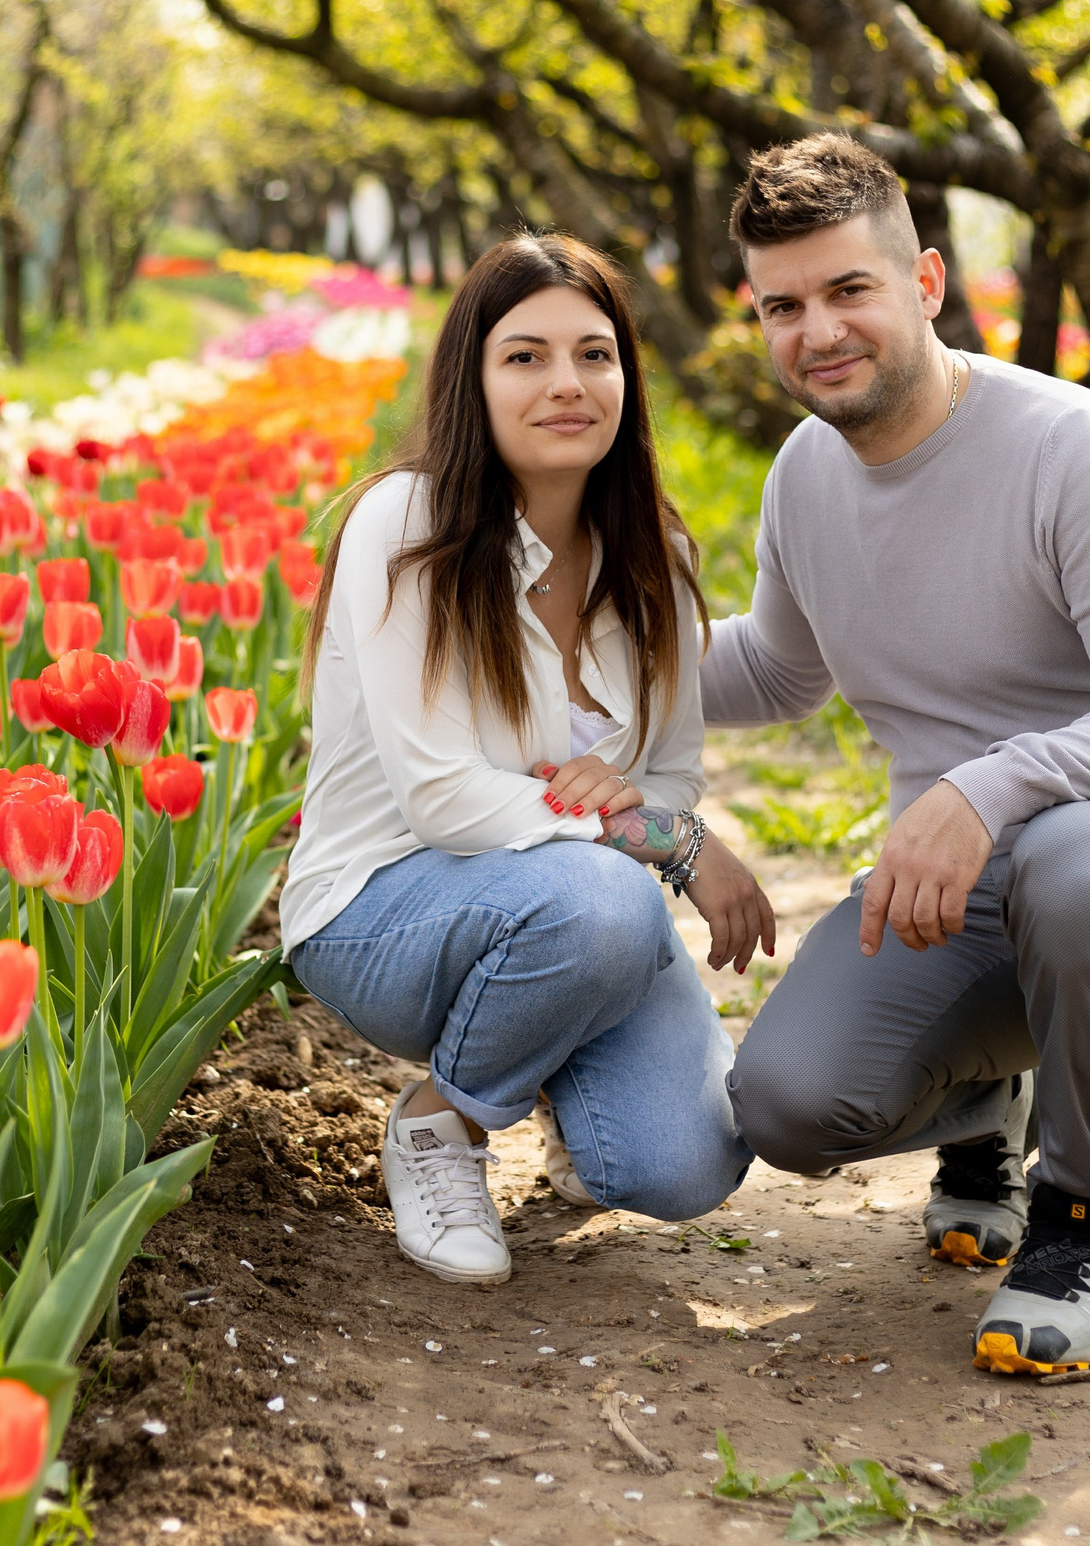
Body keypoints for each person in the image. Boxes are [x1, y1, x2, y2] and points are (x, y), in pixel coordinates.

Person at [705, 135, 1090, 1374]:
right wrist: (579, 663)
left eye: (848, 290)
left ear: (923, 282)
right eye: (782, 306)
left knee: (1074, 859)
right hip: (959, 903)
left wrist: (986, 783)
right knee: (787, 1106)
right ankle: (991, 1103)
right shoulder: (806, 474)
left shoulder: (1074, 452)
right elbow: (776, 669)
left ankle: (1082, 1217)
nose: (817, 332)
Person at [282, 233, 774, 1286]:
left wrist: (644, 808)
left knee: (684, 1165)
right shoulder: (405, 527)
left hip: (562, 907)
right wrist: (655, 835)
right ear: (473, 376)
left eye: (595, 356)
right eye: (526, 356)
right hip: (379, 912)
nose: (567, 384)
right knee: (605, 900)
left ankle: (547, 1055)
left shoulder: (659, 559)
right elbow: (445, 799)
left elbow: (670, 770)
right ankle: (440, 1124)